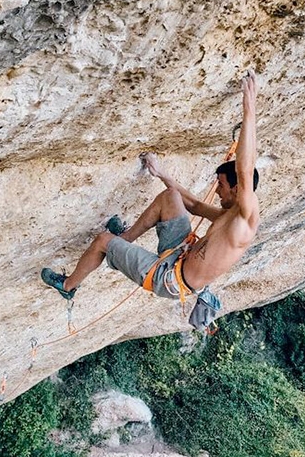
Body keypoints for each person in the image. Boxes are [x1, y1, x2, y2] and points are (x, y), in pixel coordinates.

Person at [41, 70, 260, 308]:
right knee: (171, 197)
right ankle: (124, 239)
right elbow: (195, 206)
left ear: (238, 189)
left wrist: (249, 108)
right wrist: (161, 173)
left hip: (167, 279)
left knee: (103, 240)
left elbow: (245, 169)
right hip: (179, 253)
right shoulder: (229, 214)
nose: (217, 192)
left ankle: (68, 286)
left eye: (221, 186)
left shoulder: (245, 220)